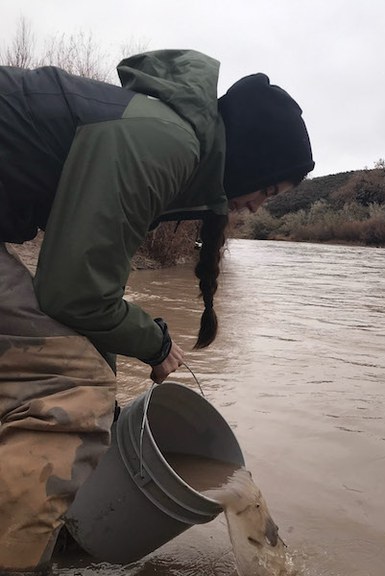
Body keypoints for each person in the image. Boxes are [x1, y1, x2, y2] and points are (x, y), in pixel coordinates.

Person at [0, 49, 314, 573]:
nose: (260, 205)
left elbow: (83, 299)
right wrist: (156, 344)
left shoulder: (165, 135)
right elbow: (75, 295)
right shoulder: (161, 143)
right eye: (269, 189)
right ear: (252, 157)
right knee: (68, 388)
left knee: (76, 374)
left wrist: (116, 386)